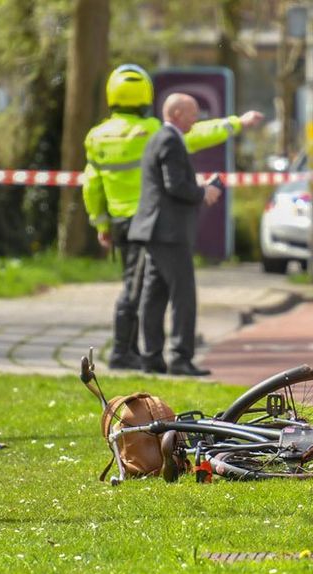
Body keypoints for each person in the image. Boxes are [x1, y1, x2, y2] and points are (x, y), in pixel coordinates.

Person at [82, 64, 263, 370]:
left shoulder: (97, 136)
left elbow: (91, 183)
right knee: (151, 290)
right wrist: (237, 123)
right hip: (155, 222)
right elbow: (199, 135)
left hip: (121, 221)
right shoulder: (154, 132)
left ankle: (133, 352)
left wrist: (100, 223)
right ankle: (132, 353)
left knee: (138, 288)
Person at [127, 94, 221, 376]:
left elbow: (168, 182)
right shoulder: (170, 139)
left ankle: (152, 357)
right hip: (169, 231)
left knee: (154, 294)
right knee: (183, 295)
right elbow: (174, 186)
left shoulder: (158, 138)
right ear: (177, 113)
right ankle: (180, 357)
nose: (197, 117)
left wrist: (195, 184)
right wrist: (204, 192)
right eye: (193, 112)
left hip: (155, 229)